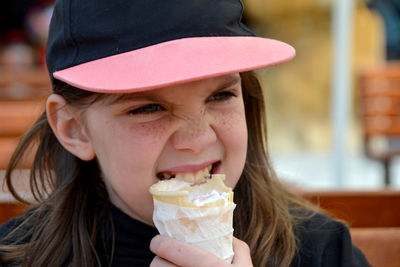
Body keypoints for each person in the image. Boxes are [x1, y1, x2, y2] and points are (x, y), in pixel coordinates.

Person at [0, 0, 370, 266]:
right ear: (74, 129)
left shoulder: (320, 250)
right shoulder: (19, 254)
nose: (196, 138)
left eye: (221, 95)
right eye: (148, 108)